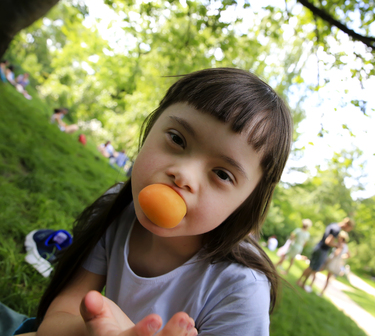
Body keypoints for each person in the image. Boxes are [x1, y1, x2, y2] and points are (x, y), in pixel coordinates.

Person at [26, 68, 292, 336]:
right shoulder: (119, 210)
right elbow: (56, 320)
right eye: (177, 139)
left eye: (222, 174)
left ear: (246, 203)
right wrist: (100, 328)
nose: (184, 175)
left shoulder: (240, 290)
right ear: (152, 126)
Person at [296, 217, 354, 292]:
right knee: (312, 267)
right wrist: (337, 245)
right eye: (349, 228)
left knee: (312, 267)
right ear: (347, 225)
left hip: (319, 247)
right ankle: (300, 282)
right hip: (322, 250)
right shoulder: (336, 229)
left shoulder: (333, 225)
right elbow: (328, 241)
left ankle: (302, 283)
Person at [319, 231, 350, 296]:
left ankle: (322, 291)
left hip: (333, 261)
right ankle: (322, 291)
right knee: (328, 276)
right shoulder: (345, 246)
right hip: (338, 262)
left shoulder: (340, 245)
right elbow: (348, 255)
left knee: (326, 275)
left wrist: (337, 251)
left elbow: (336, 254)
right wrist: (342, 257)